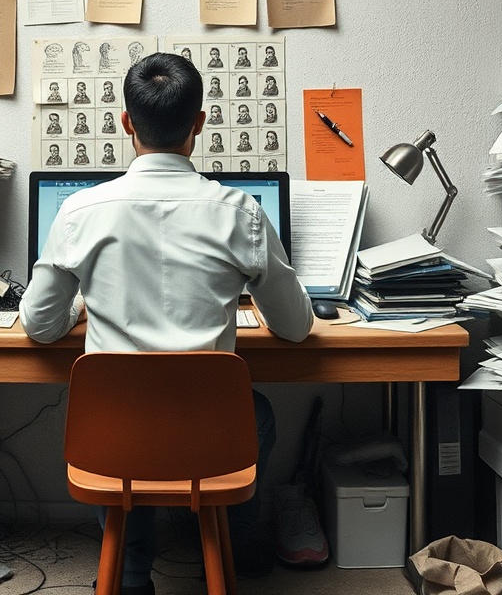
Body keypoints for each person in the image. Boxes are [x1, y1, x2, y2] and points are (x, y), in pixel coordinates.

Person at [20, 52, 312, 595]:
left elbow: (37, 326)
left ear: (126, 123)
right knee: (260, 415)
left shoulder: (81, 211)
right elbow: (296, 328)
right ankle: (229, 552)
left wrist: (81, 302)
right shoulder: (240, 211)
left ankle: (130, 575)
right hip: (208, 432)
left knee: (114, 422)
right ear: (199, 123)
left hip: (115, 433)